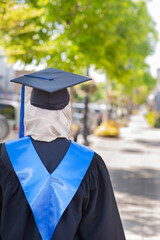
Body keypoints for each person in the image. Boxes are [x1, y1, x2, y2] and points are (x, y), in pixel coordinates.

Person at [0, 68, 126, 240]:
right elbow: (104, 231)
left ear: (30, 110)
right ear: (66, 113)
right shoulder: (90, 163)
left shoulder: (4, 157)